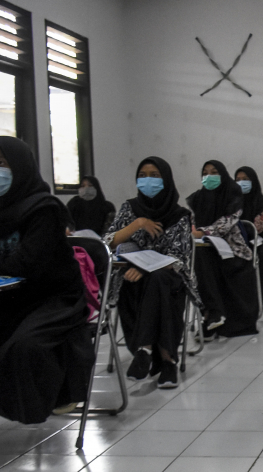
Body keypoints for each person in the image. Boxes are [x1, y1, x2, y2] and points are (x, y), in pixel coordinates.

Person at [0, 136, 95, 423]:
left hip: (52, 298)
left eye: (2, 164)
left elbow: (26, 263)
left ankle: (30, 406)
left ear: (21, 166)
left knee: (22, 347)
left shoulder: (45, 209)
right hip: (10, 296)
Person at [104, 157, 198, 389]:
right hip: (131, 276)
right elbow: (109, 242)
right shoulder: (129, 208)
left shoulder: (180, 215)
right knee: (149, 283)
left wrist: (145, 267)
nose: (148, 180)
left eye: (155, 175)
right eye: (143, 175)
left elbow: (179, 257)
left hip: (167, 275)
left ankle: (145, 350)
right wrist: (138, 224)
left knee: (159, 280)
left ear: (166, 179)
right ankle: (168, 362)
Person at [187, 160, 258, 339]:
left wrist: (203, 232)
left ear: (223, 175)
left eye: (214, 172)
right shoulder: (197, 198)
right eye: (205, 173)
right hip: (205, 247)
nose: (209, 176)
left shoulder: (233, 194)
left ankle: (213, 314)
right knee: (199, 258)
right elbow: (192, 221)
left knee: (204, 261)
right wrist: (195, 230)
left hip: (231, 249)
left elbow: (227, 222)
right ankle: (212, 314)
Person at [235, 166, 263, 309]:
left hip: (259, 240)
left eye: (245, 180)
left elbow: (257, 227)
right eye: (238, 180)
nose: (241, 183)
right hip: (235, 239)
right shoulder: (231, 201)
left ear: (253, 181)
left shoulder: (261, 202)